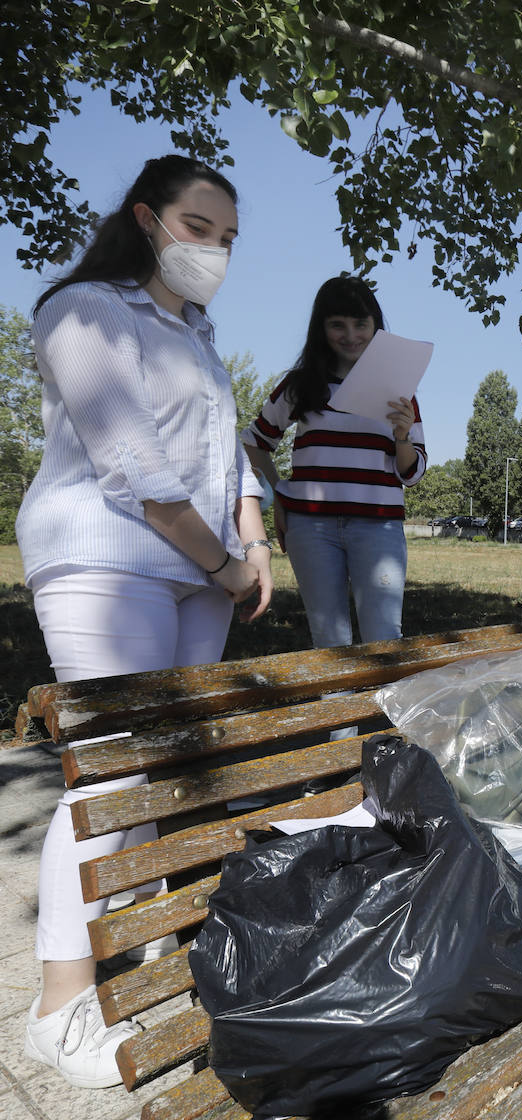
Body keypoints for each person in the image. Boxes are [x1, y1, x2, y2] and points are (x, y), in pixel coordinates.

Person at [17, 155, 272, 1087]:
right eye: (199, 228)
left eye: (230, 240)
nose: (215, 252)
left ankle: (149, 944)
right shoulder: (81, 311)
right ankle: (58, 1006)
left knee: (167, 771)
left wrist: (256, 541)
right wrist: (223, 561)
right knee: (111, 774)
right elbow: (131, 462)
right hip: (108, 556)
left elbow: (228, 458)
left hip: (201, 573)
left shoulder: (198, 338)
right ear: (147, 218)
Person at [243, 276, 426, 648]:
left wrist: (402, 437)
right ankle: (337, 706)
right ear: (321, 328)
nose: (351, 335)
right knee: (329, 642)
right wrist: (279, 494)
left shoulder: (398, 388)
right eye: (337, 324)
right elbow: (252, 442)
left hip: (379, 528)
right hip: (311, 529)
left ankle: (383, 709)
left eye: (360, 324)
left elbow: (413, 472)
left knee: (385, 641)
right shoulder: (299, 385)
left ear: (375, 326)